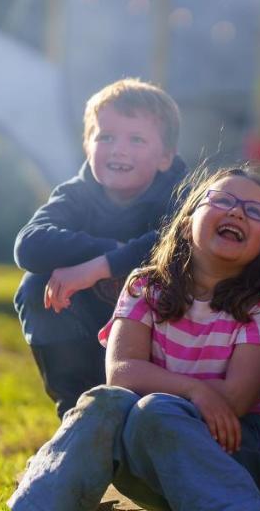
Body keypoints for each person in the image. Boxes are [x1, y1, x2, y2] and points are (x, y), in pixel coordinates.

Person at [0, 167, 260, 511]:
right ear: (189, 215)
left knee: (156, 409)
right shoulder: (146, 287)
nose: (238, 213)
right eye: (223, 201)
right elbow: (122, 372)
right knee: (105, 401)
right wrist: (194, 389)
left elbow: (231, 402)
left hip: (230, 453)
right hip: (145, 463)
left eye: (254, 210)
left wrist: (177, 396)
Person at [13, 78, 188, 417]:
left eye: (136, 139)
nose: (118, 149)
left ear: (166, 157)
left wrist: (99, 267)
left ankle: (155, 414)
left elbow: (174, 244)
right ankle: (77, 410)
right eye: (105, 136)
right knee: (36, 287)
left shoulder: (180, 194)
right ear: (87, 145)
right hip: (93, 332)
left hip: (162, 340)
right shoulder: (77, 194)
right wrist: (114, 250)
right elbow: (29, 245)